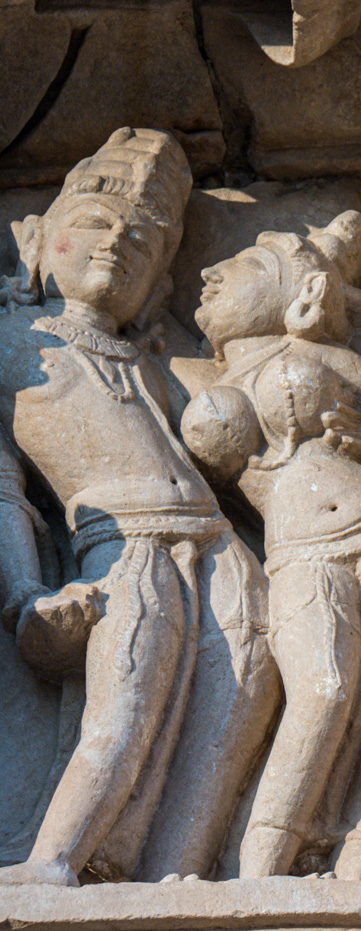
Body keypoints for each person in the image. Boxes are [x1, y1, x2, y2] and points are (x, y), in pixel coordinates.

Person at [0, 128, 277, 885]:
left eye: (143, 242)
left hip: (220, 546)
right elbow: (4, 494)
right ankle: (52, 862)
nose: (116, 245)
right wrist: (25, 594)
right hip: (127, 549)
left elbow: (242, 428)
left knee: (242, 698)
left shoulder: (154, 362)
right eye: (95, 223)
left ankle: (180, 873)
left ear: (158, 283)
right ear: (35, 239)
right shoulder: (15, 344)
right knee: (125, 705)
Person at [185, 214, 361, 878]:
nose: (209, 272)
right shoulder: (186, 375)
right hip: (303, 548)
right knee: (324, 690)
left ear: (303, 294)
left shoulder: (343, 358)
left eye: (247, 268)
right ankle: (258, 875)